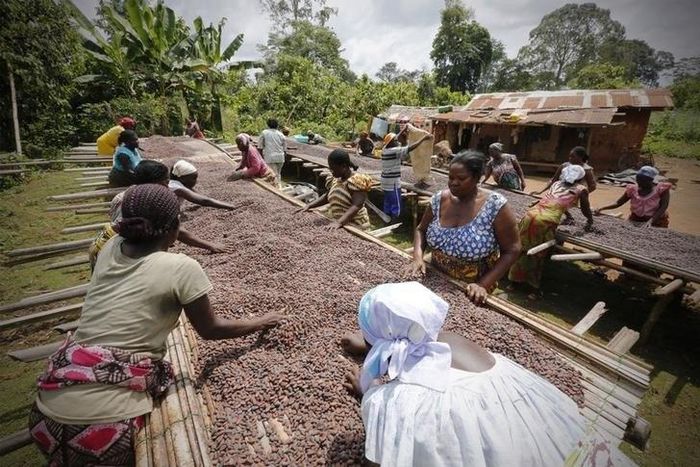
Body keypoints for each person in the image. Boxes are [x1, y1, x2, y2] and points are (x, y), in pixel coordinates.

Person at [30, 184, 285, 466]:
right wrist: (264, 320)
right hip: (100, 425)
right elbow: (210, 330)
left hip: (47, 407)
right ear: (174, 227)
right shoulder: (182, 267)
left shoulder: (111, 247)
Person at [341, 282, 632, 467]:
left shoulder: (389, 401)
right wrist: (374, 348)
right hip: (550, 440)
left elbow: (380, 458)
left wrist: (369, 391)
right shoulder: (448, 339)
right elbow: (410, 353)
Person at [409, 151, 520, 304]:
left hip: (471, 287)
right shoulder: (439, 199)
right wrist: (417, 257)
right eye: (451, 178)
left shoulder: (495, 205)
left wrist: (483, 284)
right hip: (435, 274)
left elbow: (512, 249)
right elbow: (421, 230)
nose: (453, 182)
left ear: (476, 178)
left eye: (461, 178)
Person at [89, 161, 230, 271]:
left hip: (109, 247)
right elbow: (176, 231)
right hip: (110, 255)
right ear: (153, 183)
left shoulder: (132, 194)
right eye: (165, 182)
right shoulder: (139, 202)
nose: (168, 187)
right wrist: (210, 245)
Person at [509, 164, 593, 290]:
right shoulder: (581, 189)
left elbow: (554, 201)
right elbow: (585, 209)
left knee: (523, 248)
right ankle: (533, 288)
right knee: (538, 253)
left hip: (530, 215)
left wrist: (568, 215)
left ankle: (513, 283)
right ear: (581, 178)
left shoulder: (557, 184)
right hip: (546, 221)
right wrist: (590, 220)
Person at [298, 148, 374, 230]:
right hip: (342, 223)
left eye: (333, 169)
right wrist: (309, 205)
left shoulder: (355, 181)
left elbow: (356, 206)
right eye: (330, 168)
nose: (331, 171)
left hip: (357, 225)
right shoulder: (336, 180)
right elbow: (327, 197)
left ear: (344, 166)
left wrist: (339, 222)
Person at [594, 165, 671, 228]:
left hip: (656, 220)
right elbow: (618, 203)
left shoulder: (661, 189)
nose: (639, 183)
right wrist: (602, 208)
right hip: (636, 219)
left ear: (651, 180)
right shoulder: (632, 189)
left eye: (643, 181)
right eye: (638, 180)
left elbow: (663, 207)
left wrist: (650, 221)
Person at [381, 131, 433, 217]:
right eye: (396, 141)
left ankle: (386, 219)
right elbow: (410, 148)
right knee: (396, 203)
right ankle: (395, 222)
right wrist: (423, 139)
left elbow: (392, 139)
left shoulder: (385, 150)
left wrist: (403, 130)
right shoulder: (394, 151)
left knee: (387, 201)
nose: (398, 142)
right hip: (392, 182)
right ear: (391, 143)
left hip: (385, 181)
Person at [169, 160, 239, 211]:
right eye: (193, 179)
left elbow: (198, 195)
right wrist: (231, 206)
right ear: (182, 178)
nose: (196, 181)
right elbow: (204, 201)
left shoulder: (176, 183)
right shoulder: (176, 188)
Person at [259, 118, 287, 187]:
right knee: (278, 174)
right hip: (280, 157)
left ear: (268, 125)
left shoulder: (264, 132)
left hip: (270, 157)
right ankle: (279, 187)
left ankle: (277, 189)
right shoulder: (281, 134)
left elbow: (260, 146)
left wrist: (260, 157)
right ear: (277, 125)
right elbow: (285, 149)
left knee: (273, 175)